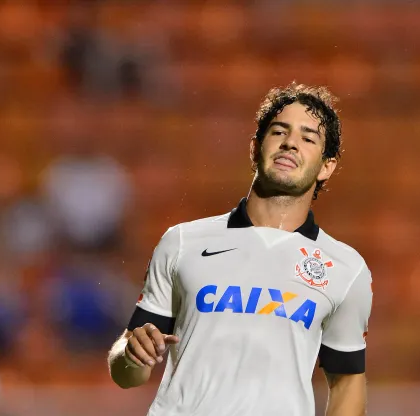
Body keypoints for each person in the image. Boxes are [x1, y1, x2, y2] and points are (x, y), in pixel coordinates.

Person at [107, 82, 373, 416]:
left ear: (326, 166)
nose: (290, 143)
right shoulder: (183, 242)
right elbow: (128, 374)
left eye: (308, 138)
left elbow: (347, 383)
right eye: (279, 131)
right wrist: (130, 353)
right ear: (255, 148)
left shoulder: (345, 269)